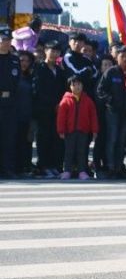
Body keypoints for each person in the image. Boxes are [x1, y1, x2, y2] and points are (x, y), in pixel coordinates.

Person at [97, 46, 126, 179]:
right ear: (117, 57)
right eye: (122, 56)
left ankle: (119, 168)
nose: (125, 59)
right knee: (112, 140)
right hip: (112, 112)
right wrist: (110, 100)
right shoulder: (111, 72)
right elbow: (100, 90)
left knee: (121, 141)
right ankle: (110, 167)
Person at [33, 41, 67, 177]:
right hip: (43, 109)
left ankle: (55, 165)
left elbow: (64, 89)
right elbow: (37, 90)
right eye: (52, 50)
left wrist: (60, 104)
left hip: (58, 110)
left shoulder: (60, 70)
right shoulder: (39, 68)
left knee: (56, 138)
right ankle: (43, 166)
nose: (54, 54)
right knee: (43, 138)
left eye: (57, 51)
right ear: (46, 51)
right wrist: (52, 104)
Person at [56, 76, 98, 179]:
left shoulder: (88, 100)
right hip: (69, 131)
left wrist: (94, 130)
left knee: (82, 152)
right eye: (74, 85)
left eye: (79, 84)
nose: (77, 87)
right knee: (69, 152)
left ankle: (82, 171)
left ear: (82, 86)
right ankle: (67, 171)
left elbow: (93, 116)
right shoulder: (65, 101)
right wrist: (61, 130)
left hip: (83, 131)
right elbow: (61, 117)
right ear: (70, 87)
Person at [0, 28, 20, 178]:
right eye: (2, 40)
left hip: (10, 102)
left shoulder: (14, 59)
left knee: (9, 136)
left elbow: (16, 81)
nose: (5, 42)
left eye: (7, 40)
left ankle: (7, 168)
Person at [14, 51, 35, 176]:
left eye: (27, 61)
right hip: (13, 114)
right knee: (13, 142)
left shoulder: (31, 77)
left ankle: (24, 167)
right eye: (22, 60)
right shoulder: (12, 76)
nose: (24, 63)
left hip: (27, 114)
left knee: (26, 142)